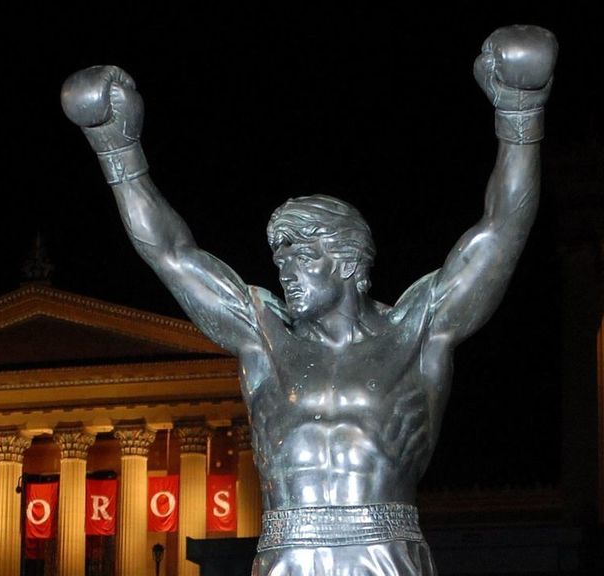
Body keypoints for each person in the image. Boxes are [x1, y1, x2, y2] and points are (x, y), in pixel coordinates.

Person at [61, 25, 557, 576]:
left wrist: (520, 114)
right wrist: (118, 149)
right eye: (279, 258)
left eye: (300, 255)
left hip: (384, 557)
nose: (283, 270)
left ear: (345, 260)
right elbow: (173, 254)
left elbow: (502, 231)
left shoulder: (418, 330)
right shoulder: (263, 336)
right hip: (285, 557)